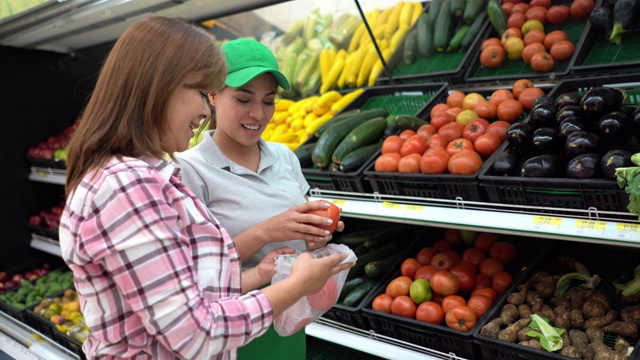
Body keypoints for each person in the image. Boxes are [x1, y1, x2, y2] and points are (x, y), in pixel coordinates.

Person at [58, 16, 353, 360]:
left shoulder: (146, 176)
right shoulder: (129, 185)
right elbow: (197, 333)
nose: (203, 109)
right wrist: (295, 286)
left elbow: (188, 288)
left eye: (268, 100)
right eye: (200, 92)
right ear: (157, 84)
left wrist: (262, 272)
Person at [175, 38, 344, 359]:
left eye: (269, 101)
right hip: (230, 330)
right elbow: (194, 271)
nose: (258, 113)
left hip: (291, 318)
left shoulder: (284, 157)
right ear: (212, 94)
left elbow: (305, 248)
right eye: (243, 98)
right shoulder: (189, 170)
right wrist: (267, 231)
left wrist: (317, 232)